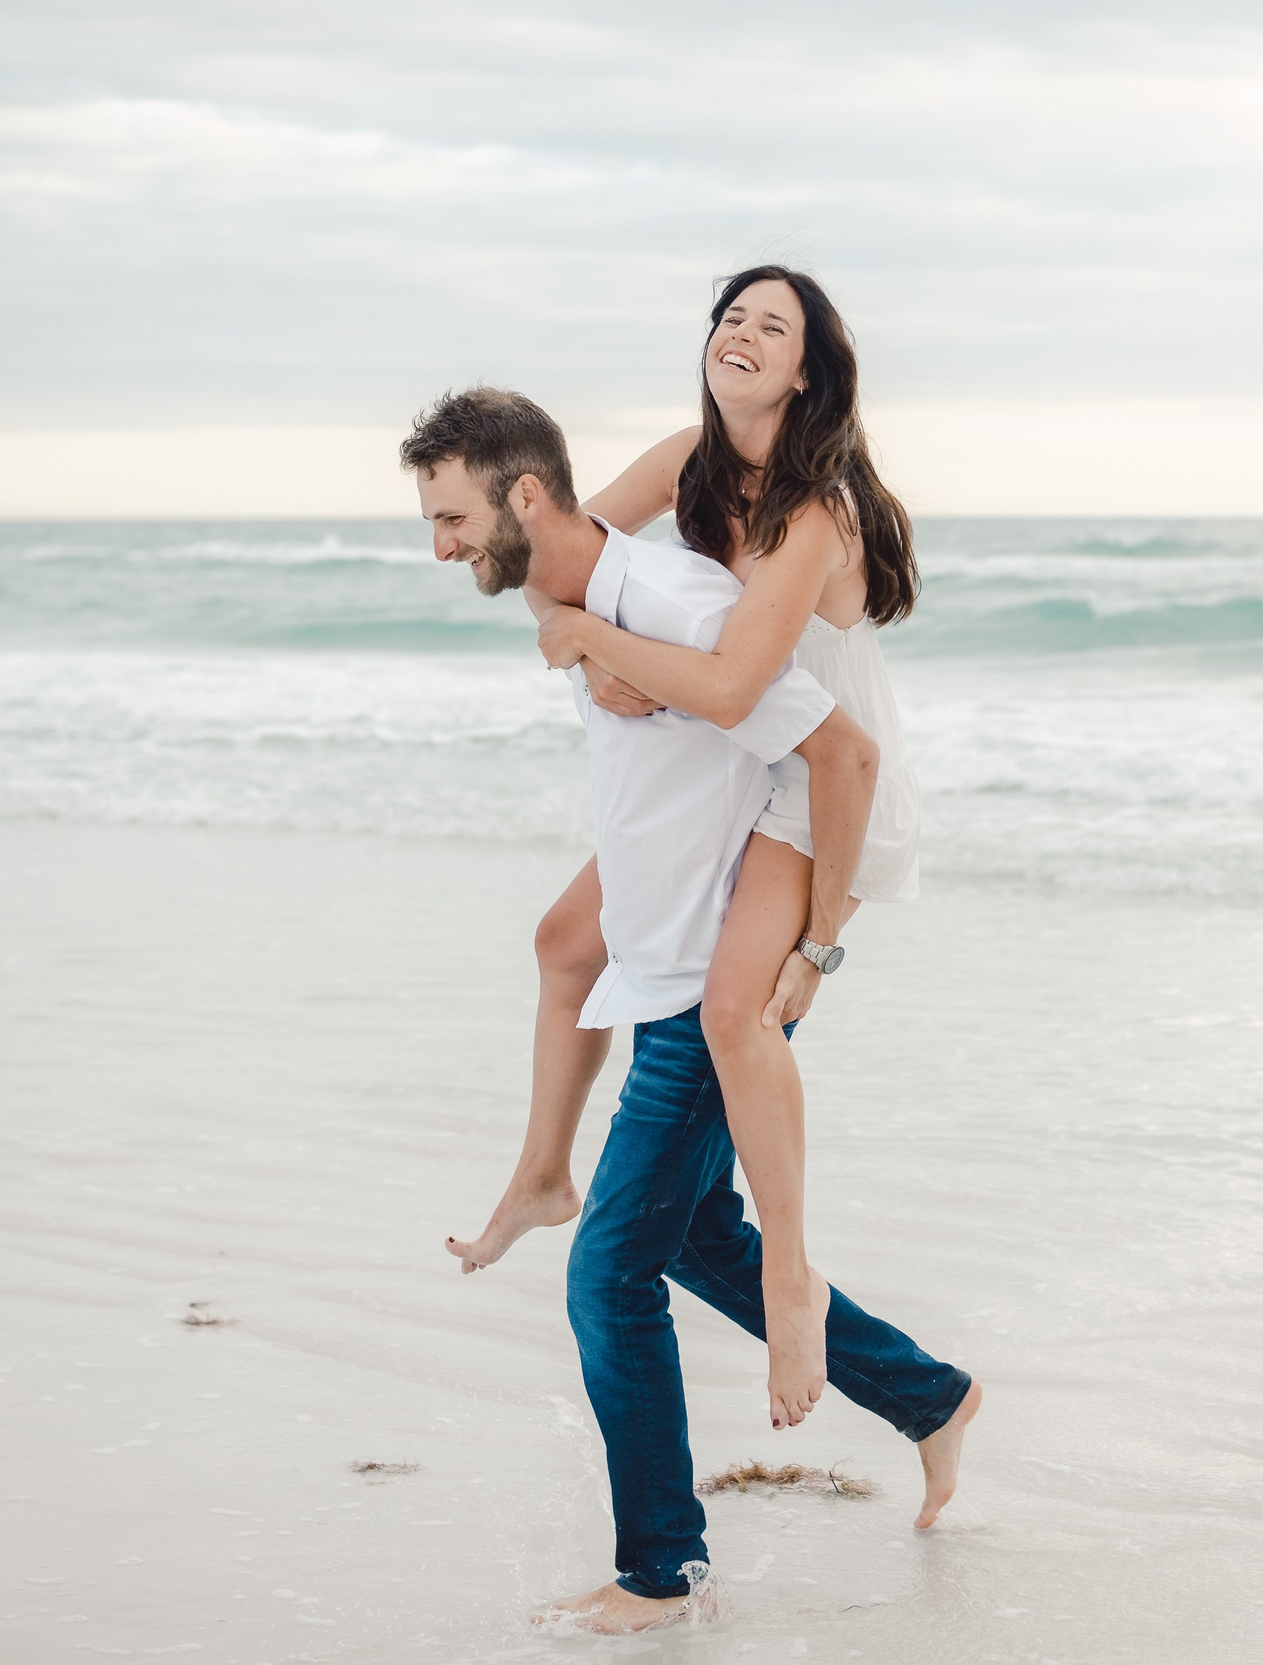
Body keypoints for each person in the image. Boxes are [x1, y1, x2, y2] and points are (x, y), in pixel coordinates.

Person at [404, 386, 977, 1634]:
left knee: (610, 1277)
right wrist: (570, 633)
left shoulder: (675, 611)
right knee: (686, 1228)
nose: (439, 547)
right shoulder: (594, 597)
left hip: (704, 978)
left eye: (450, 518)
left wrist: (815, 945)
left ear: (527, 496)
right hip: (655, 951)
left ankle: (662, 1572)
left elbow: (843, 758)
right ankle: (929, 1397)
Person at [445, 266, 921, 1444]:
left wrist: (821, 943)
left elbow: (727, 684)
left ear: (806, 372)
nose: (744, 335)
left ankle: (793, 1280)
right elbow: (546, 551)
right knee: (565, 940)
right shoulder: (686, 458)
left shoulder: (816, 513)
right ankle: (543, 1173)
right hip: (747, 763)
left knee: (730, 1016)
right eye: (731, 318)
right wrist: (582, 640)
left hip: (824, 789)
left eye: (775, 326)